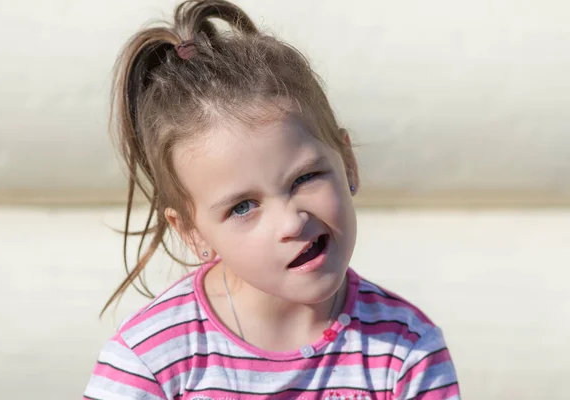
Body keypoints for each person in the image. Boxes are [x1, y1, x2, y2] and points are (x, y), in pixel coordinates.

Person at [83, 1, 460, 398]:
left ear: (348, 162)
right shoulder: (151, 361)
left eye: (306, 177)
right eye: (242, 206)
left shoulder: (405, 351)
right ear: (193, 232)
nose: (291, 221)